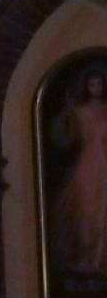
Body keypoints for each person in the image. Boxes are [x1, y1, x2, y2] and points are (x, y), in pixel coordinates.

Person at [52, 69, 107, 276]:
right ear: (87, 87)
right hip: (88, 163)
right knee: (86, 209)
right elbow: (67, 138)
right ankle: (86, 257)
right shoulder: (78, 111)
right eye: (92, 84)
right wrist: (67, 113)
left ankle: (101, 258)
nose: (96, 88)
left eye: (99, 84)